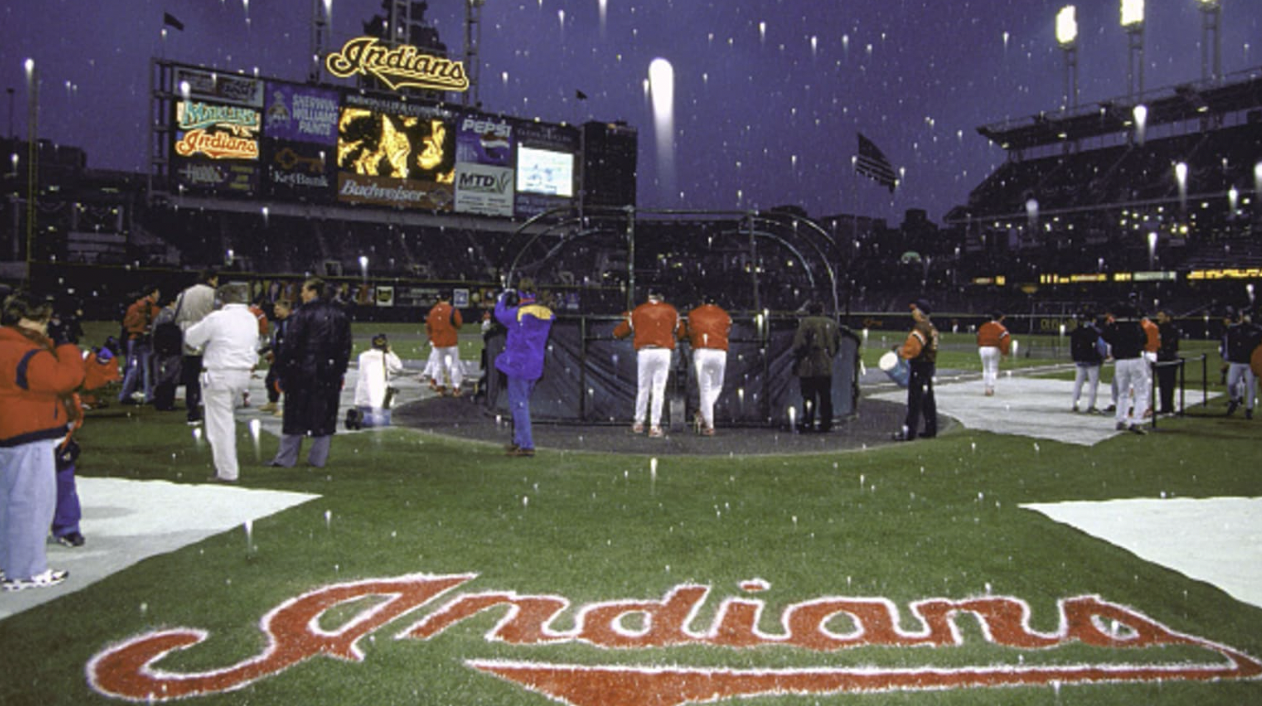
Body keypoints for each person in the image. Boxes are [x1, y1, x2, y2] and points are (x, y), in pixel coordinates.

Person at [1, 292, 85, 590]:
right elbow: (66, 378)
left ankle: (9, 563)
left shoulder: (7, 344)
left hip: (8, 431)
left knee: (8, 503)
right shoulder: (26, 352)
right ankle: (25, 570)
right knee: (32, 504)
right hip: (30, 431)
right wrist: (66, 346)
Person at [268, 278, 352, 468]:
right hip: (328, 373)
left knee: (294, 416)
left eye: (304, 290)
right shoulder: (340, 313)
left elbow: (291, 344)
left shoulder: (302, 313)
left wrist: (282, 369)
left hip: (302, 372)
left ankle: (286, 459)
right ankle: (318, 459)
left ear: (314, 292)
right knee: (325, 416)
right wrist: (339, 370)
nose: (301, 294)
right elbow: (345, 347)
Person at [183, 283, 260, 483]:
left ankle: (227, 472)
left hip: (220, 374)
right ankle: (227, 468)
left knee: (220, 426)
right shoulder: (250, 318)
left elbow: (191, 338)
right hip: (242, 374)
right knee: (227, 421)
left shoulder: (218, 318)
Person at [494, 279, 554, 457]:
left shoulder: (518, 313)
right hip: (535, 363)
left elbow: (500, 314)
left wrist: (502, 298)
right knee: (521, 404)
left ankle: (526, 444)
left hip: (518, 364)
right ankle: (519, 441)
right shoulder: (546, 313)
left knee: (519, 405)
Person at [613, 287, 683, 438]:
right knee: (659, 390)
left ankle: (638, 423)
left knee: (643, 388)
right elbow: (681, 331)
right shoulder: (670, 310)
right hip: (663, 351)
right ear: (661, 297)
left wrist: (616, 334)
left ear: (648, 296)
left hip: (644, 351)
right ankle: (654, 426)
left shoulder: (638, 311)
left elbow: (620, 331)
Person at [175, 269, 220, 425]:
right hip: (207, 335)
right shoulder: (213, 294)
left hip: (189, 335)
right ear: (211, 279)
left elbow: (177, 316)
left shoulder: (183, 294)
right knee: (212, 374)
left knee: (191, 376)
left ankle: (192, 411)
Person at [684, 295, 732, 436]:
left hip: (701, 350)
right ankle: (705, 418)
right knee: (717, 386)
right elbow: (727, 331)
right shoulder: (724, 315)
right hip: (719, 350)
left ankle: (707, 421)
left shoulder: (693, 314)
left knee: (704, 389)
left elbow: (690, 332)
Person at [791, 302, 841, 434]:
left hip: (809, 366)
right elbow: (837, 344)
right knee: (825, 396)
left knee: (808, 396)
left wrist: (798, 359)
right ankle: (826, 423)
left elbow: (799, 344)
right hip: (825, 365)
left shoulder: (806, 323)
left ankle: (808, 421)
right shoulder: (831, 323)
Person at [1101, 301, 1149, 434]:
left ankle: (1121, 420)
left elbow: (1105, 336)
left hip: (1120, 360)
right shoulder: (1135, 325)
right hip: (1135, 358)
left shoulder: (1115, 326)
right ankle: (1137, 421)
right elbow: (1144, 339)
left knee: (1123, 393)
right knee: (1141, 392)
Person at [894, 299, 938, 441]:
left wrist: (900, 351)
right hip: (929, 366)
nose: (913, 312)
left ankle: (909, 431)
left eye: (915, 310)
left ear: (920, 312)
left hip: (919, 366)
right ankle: (931, 429)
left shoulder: (920, 328)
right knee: (927, 399)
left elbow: (913, 350)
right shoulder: (931, 327)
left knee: (914, 400)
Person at [348, 333, 405, 429]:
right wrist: (390, 352)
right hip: (378, 399)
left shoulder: (362, 356)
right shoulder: (386, 357)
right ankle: (362, 418)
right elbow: (398, 367)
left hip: (361, 397)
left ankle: (358, 416)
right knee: (384, 420)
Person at [118, 285, 160, 405]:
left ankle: (124, 394)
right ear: (152, 294)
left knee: (133, 367)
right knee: (148, 369)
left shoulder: (133, 307)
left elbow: (126, 323)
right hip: (145, 339)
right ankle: (149, 395)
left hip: (133, 338)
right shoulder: (153, 309)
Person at [1222, 308, 1262, 420]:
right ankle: (1234, 399)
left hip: (1250, 362)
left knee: (1251, 386)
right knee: (1231, 383)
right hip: (1236, 361)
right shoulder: (1234, 329)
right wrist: (1227, 360)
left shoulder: (1257, 330)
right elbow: (1229, 346)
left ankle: (1249, 408)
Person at [425, 291, 464, 396]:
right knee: (454, 366)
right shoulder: (453, 310)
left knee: (438, 365)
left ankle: (440, 387)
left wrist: (431, 337)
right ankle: (456, 388)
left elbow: (428, 326)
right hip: (451, 341)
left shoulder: (433, 311)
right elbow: (459, 324)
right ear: (449, 299)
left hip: (438, 342)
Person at [150, 295, 184, 411]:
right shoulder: (170, 316)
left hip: (161, 349)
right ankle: (166, 402)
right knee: (170, 376)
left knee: (161, 376)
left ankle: (161, 402)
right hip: (171, 349)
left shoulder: (160, 315)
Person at [259, 299, 292, 416]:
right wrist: (266, 350)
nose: (275, 311)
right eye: (274, 309)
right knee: (270, 380)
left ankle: (288, 408)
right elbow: (276, 341)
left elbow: (288, 342)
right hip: (278, 357)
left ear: (286, 309)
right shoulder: (279, 323)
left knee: (286, 384)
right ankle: (273, 402)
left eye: (278, 309)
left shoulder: (291, 323)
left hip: (286, 358)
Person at [1070, 310, 1105, 414]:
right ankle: (1091, 405)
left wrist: (1075, 357)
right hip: (1092, 360)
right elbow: (1101, 346)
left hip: (1080, 359)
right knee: (1093, 384)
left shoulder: (1077, 331)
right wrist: (1101, 358)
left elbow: (1073, 347)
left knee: (1078, 383)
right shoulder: (1095, 331)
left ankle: (1075, 404)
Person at [976, 311, 1011, 396]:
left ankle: (986, 387)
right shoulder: (1001, 329)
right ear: (1001, 318)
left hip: (983, 348)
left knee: (985, 368)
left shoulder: (983, 326)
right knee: (993, 368)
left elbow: (978, 337)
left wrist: (981, 346)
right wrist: (1005, 353)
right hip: (994, 348)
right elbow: (1005, 341)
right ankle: (990, 388)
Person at [1155, 309, 1181, 416]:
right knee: (1162, 383)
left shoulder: (1172, 329)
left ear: (1168, 317)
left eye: (1161, 316)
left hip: (1169, 358)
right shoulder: (1158, 328)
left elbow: (1171, 344)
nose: (1159, 318)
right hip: (1162, 358)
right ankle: (1164, 406)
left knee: (1169, 383)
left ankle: (1169, 406)